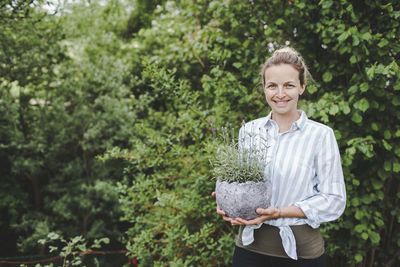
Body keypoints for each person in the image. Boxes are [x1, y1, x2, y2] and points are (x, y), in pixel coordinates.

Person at [214, 47, 346, 267]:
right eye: (272, 85)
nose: (280, 93)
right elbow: (240, 182)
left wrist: (279, 212)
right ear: (264, 88)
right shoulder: (249, 131)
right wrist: (225, 198)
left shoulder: (320, 135)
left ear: (302, 87)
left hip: (302, 254)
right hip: (249, 250)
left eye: (289, 85)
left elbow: (334, 199)